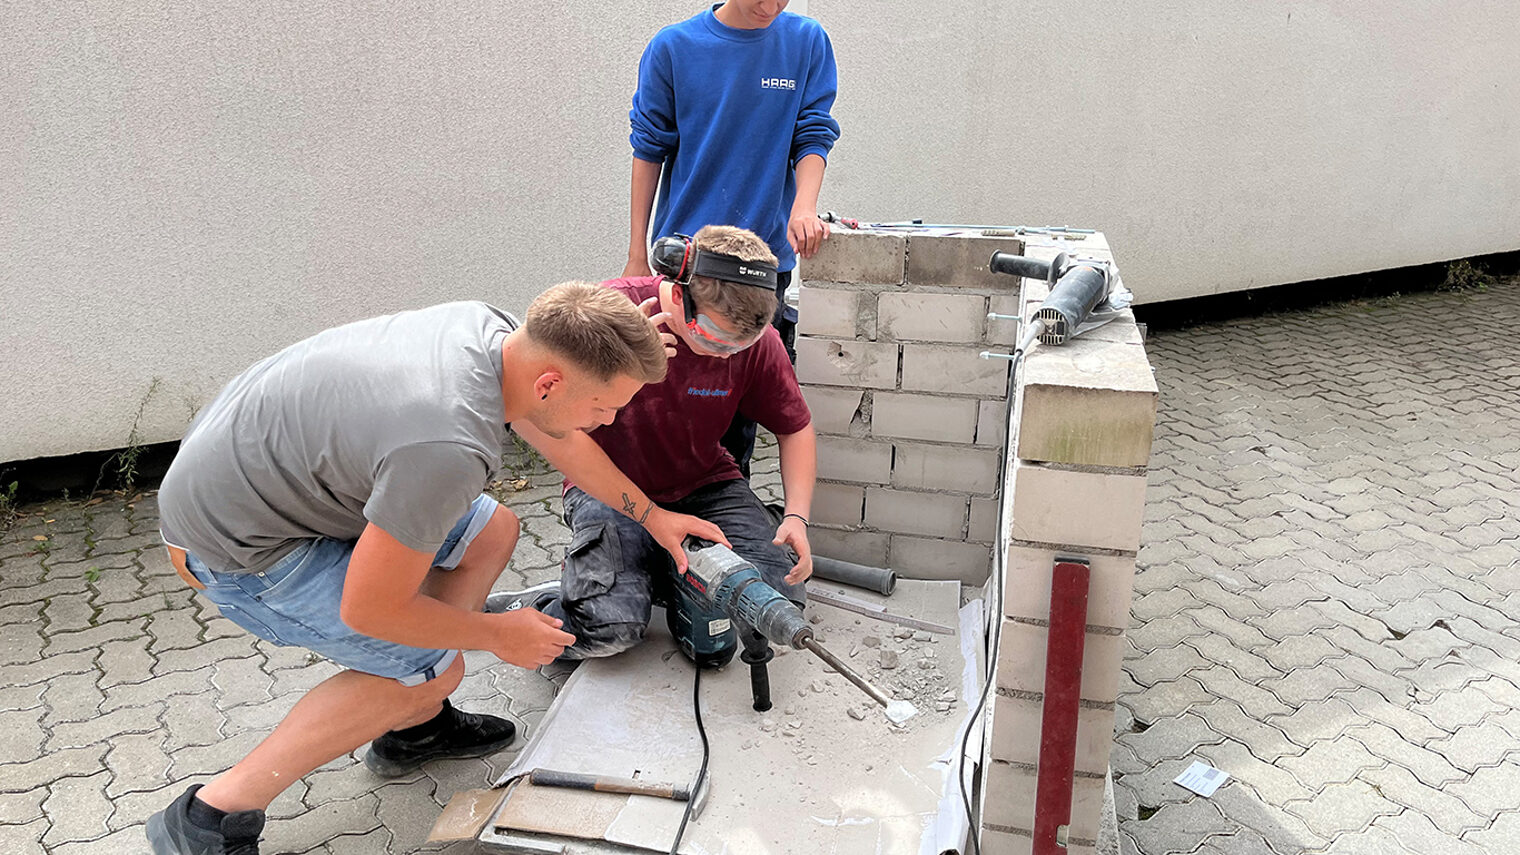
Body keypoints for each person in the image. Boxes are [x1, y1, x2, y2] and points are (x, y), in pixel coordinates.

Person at [146, 284, 725, 855]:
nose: (607, 420)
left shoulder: (493, 332)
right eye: (605, 405)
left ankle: (414, 725)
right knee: (430, 669)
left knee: (490, 532)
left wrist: (652, 517)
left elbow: (562, 438)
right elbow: (368, 607)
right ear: (550, 382)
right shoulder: (447, 444)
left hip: (269, 482)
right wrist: (499, 635)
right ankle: (208, 815)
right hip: (240, 550)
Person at [503, 226, 815, 662]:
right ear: (676, 292)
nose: (726, 354)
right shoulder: (611, 315)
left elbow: (794, 426)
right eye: (714, 335)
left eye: (741, 344)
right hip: (608, 488)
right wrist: (628, 363)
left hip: (706, 483)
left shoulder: (752, 343)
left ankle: (659, 570)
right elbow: (544, 420)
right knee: (608, 629)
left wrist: (797, 515)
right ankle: (538, 605)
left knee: (775, 600)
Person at [622, 0, 840, 474]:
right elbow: (648, 147)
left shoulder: (805, 42)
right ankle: (656, 516)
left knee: (737, 408)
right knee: (666, 394)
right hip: (687, 262)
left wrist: (804, 206)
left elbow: (813, 132)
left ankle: (725, 514)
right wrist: (637, 252)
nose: (770, 6)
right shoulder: (674, 47)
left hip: (762, 263)